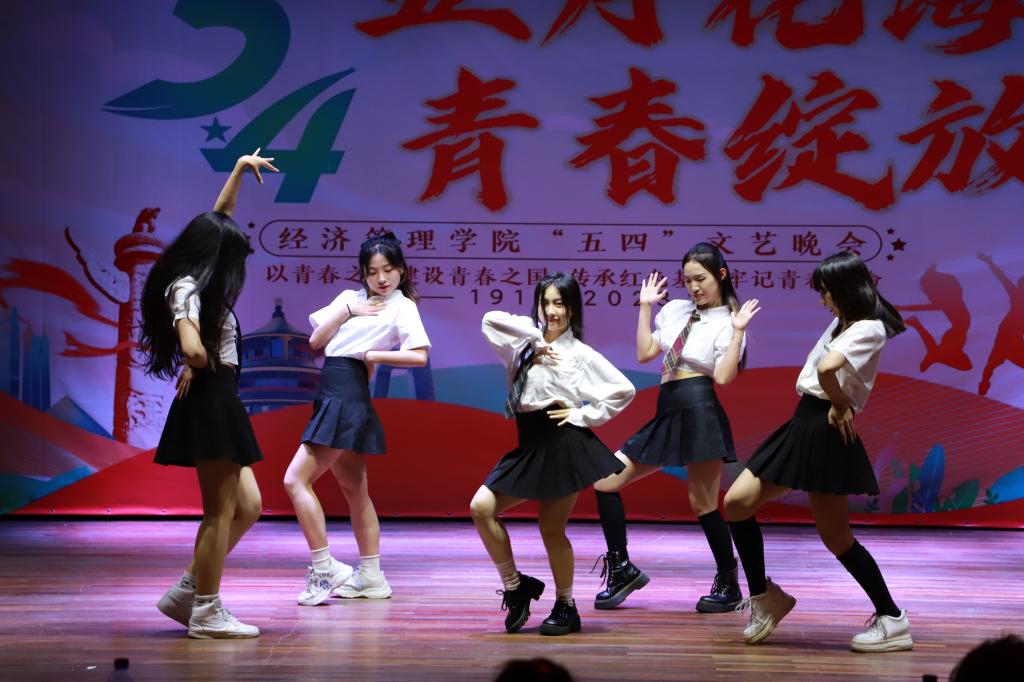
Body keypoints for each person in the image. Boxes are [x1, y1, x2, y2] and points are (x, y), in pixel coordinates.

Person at [723, 251, 911, 652]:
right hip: (804, 422)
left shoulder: (869, 327)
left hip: (825, 427)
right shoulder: (845, 321)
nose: (822, 299)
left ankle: (893, 618)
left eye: (826, 291)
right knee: (737, 503)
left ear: (846, 288)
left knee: (837, 538)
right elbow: (823, 370)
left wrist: (840, 403)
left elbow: (827, 369)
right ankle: (765, 597)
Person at [142, 150, 278, 638]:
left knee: (249, 506)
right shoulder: (185, 288)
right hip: (213, 397)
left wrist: (238, 169)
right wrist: (195, 364)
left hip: (221, 395)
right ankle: (206, 610)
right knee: (219, 511)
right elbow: (193, 347)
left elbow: (219, 219)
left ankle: (188, 590)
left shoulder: (199, 278)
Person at [592, 243, 759, 612]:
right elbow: (645, 353)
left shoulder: (730, 320)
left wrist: (737, 332)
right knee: (605, 481)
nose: (694, 287)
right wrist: (645, 307)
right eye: (688, 280)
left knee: (703, 504)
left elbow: (724, 377)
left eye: (701, 279)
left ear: (721, 275)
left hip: (700, 409)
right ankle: (621, 570)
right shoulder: (675, 310)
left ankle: (729, 583)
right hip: (668, 408)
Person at [470, 273, 635, 636]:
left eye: (559, 303)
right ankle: (516, 587)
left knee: (551, 528)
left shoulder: (580, 354)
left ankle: (566, 606)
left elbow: (623, 390)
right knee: (481, 507)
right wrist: (533, 337)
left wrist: (581, 415)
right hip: (529, 442)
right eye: (545, 303)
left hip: (563, 443)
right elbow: (489, 321)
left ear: (572, 307)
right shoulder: (521, 345)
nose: (551, 311)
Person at [283, 233, 430, 606]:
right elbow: (316, 341)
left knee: (295, 480)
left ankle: (324, 568)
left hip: (347, 393)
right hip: (332, 389)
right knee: (354, 489)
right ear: (363, 273)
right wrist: (349, 309)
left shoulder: (402, 306)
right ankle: (372, 576)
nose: (381, 278)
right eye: (372, 271)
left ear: (401, 270)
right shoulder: (350, 298)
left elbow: (419, 356)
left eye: (388, 270)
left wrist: (372, 355)